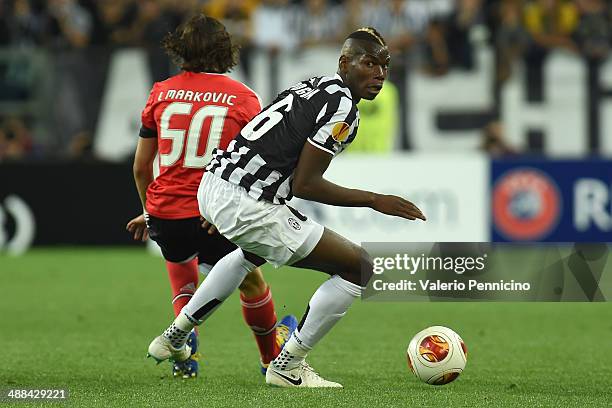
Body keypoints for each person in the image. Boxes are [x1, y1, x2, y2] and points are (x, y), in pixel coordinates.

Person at [147, 26, 426, 388]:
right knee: (359, 267)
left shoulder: (315, 85)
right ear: (344, 62)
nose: (379, 74)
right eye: (369, 63)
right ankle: (287, 364)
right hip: (245, 199)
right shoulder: (343, 108)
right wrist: (375, 200)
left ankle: (174, 335)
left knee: (248, 255)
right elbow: (305, 184)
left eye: (385, 66)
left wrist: (226, 200)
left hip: (216, 184)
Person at [126, 14, 297, 379]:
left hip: (165, 212)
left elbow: (142, 166)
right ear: (226, 51)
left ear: (180, 49)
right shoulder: (244, 98)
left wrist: (149, 211)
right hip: (213, 212)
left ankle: (185, 349)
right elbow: (262, 162)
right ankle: (272, 360)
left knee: (181, 268)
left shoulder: (161, 92)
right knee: (250, 280)